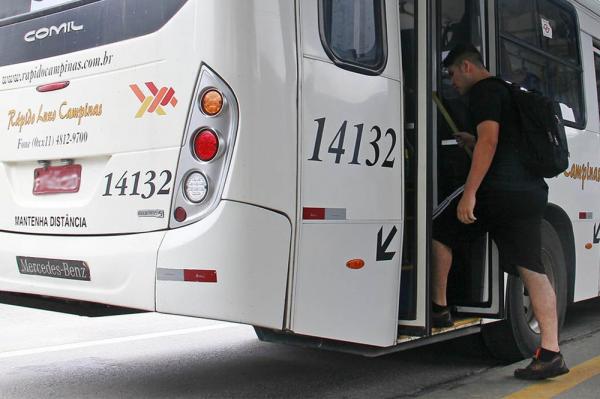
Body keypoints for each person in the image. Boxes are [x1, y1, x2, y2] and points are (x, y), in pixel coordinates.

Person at [432, 43, 569, 380]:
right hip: (529, 192)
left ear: (467, 67)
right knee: (533, 269)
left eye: (452, 74)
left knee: (437, 228)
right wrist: (472, 142)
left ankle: (438, 310)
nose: (452, 83)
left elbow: (490, 142)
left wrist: (471, 194)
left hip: (498, 193)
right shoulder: (510, 91)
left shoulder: (484, 93)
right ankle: (551, 351)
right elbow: (499, 142)